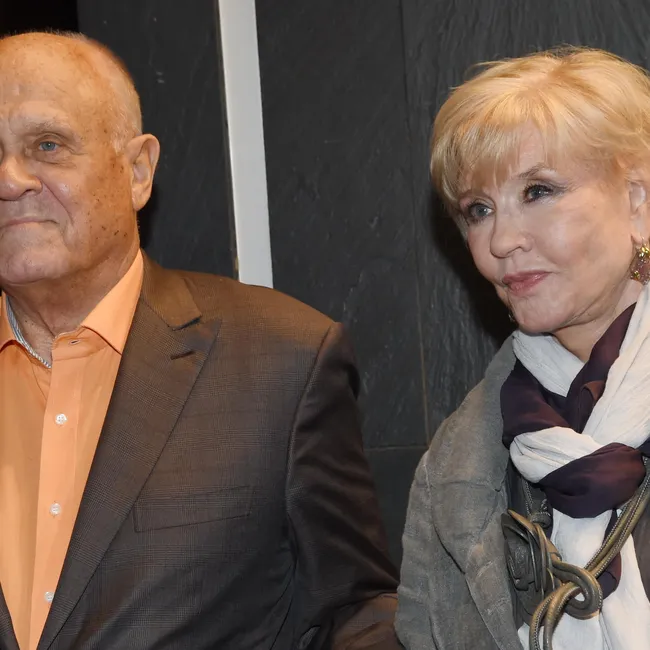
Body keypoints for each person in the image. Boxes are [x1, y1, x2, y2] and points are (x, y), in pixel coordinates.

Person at [0, 31, 401, 650]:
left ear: (137, 171)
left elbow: (358, 615)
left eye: (47, 145)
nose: (10, 179)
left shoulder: (282, 361)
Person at [396, 46, 650, 650]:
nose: (501, 240)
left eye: (538, 191)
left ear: (638, 199)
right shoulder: (455, 462)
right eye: (478, 209)